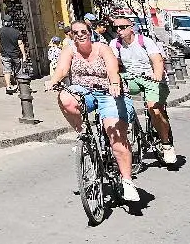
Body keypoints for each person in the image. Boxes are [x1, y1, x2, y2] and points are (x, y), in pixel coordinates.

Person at [47, 20, 136, 204]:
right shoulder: (69, 50)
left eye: (83, 31)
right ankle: (83, 133)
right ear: (71, 35)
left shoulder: (102, 48)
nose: (80, 35)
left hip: (108, 92)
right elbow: (62, 69)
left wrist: (114, 84)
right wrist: (53, 81)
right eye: (75, 32)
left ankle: (127, 181)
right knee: (65, 97)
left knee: (116, 139)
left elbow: (112, 68)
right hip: (84, 92)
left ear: (90, 33)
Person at [109, 14, 178, 167]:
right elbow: (113, 64)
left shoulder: (145, 41)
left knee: (155, 110)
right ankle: (127, 126)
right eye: (116, 28)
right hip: (130, 78)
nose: (119, 30)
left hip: (150, 77)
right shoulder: (115, 44)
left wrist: (157, 76)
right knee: (113, 98)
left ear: (131, 27)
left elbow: (157, 61)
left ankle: (166, 144)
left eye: (122, 27)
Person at [0, 19, 26, 95]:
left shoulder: (0, 31)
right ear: (11, 22)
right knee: (18, 71)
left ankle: (8, 86)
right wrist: (24, 55)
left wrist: (0, 50)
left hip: (5, 54)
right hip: (16, 55)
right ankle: (20, 86)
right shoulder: (16, 32)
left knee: (7, 70)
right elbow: (20, 43)